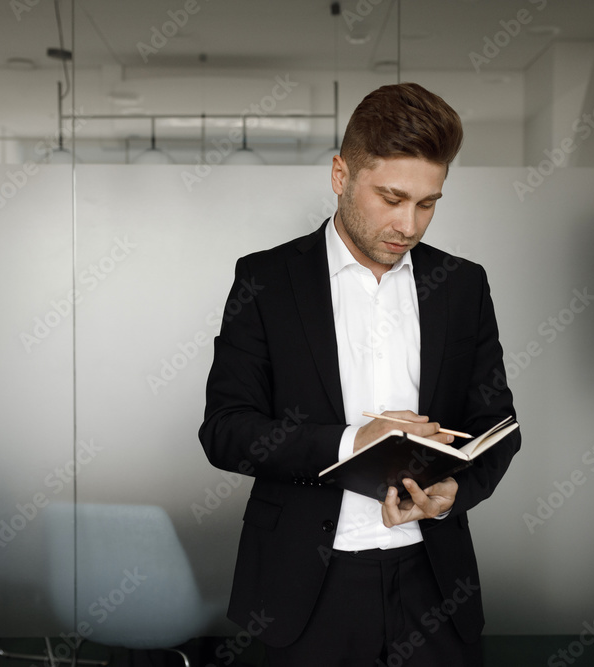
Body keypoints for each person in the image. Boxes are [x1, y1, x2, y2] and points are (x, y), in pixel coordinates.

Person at [198, 82, 520, 666]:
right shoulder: (266, 281)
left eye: (428, 203)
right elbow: (225, 430)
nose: (409, 223)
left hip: (435, 583)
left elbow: (499, 423)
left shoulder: (463, 284)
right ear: (340, 174)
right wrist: (352, 441)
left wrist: (452, 492)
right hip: (303, 588)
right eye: (391, 197)